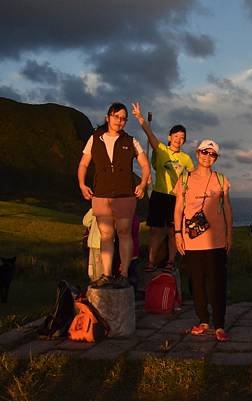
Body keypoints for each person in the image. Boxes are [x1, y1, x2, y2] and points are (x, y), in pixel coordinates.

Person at [77, 102, 150, 289]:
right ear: (108, 117)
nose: (120, 121)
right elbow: (84, 163)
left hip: (125, 194)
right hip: (100, 194)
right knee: (106, 235)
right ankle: (107, 275)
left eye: (123, 118)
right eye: (116, 116)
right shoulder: (95, 138)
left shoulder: (130, 141)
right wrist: (82, 184)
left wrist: (142, 184)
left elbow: (145, 165)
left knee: (124, 233)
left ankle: (124, 274)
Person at [174, 139, 233, 342]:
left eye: (212, 154)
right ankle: (203, 320)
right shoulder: (184, 179)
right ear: (197, 154)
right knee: (196, 283)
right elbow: (178, 208)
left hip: (216, 240)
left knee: (217, 283)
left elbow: (226, 208)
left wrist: (229, 234)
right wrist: (177, 234)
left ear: (215, 158)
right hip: (191, 240)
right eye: (204, 153)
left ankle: (219, 324)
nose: (208, 157)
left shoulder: (221, 179)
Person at [131, 103, 195, 273]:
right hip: (159, 196)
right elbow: (149, 134)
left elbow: (194, 177)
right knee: (156, 232)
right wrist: (139, 117)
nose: (178, 140)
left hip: (176, 198)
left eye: (182, 138)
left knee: (174, 232)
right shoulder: (160, 150)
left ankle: (170, 262)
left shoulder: (186, 158)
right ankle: (151, 262)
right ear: (169, 136)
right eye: (176, 136)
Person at [82, 208, 102, 281]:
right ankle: (93, 282)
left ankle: (99, 285)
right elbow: (85, 222)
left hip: (99, 244)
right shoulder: (95, 210)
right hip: (92, 244)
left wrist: (93, 210)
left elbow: (85, 222)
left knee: (98, 269)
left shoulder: (104, 210)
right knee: (91, 269)